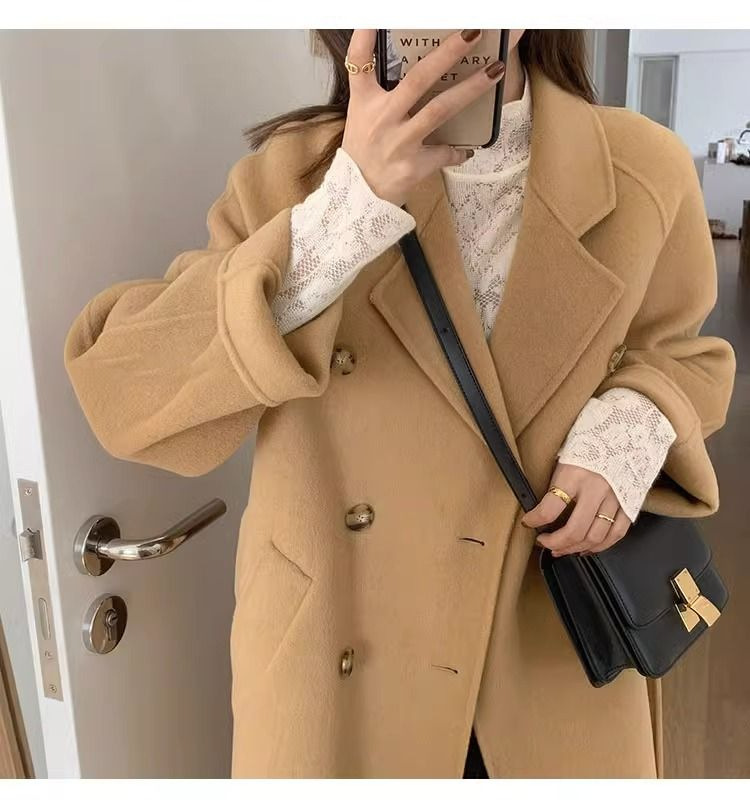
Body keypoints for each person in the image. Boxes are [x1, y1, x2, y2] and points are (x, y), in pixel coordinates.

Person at [64, 29, 736, 778]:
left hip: (552, 654)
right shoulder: (290, 176)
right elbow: (122, 397)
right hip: (340, 662)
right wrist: (344, 211)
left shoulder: (644, 169)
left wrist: (631, 428)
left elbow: (685, 354)